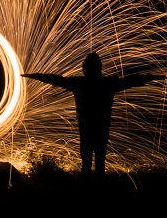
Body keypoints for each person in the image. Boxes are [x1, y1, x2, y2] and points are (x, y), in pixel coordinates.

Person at [22, 52, 159, 183]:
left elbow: (56, 80)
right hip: (101, 129)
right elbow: (131, 81)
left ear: (85, 68)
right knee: (99, 162)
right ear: (99, 67)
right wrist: (149, 77)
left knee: (87, 163)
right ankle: (97, 194)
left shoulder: (79, 83)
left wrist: (34, 75)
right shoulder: (107, 83)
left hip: (87, 130)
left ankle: (87, 194)